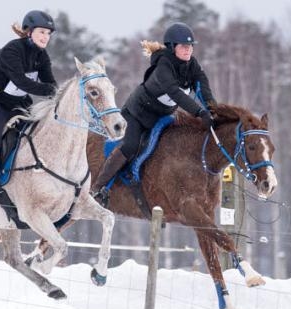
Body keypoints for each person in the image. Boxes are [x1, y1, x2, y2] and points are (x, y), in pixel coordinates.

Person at [91, 22, 217, 199]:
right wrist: (199, 113)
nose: (188, 50)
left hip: (161, 117)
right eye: (183, 46)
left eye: (190, 46)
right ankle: (97, 187)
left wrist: (212, 110)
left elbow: (204, 89)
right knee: (130, 146)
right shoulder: (163, 67)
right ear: (172, 47)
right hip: (136, 114)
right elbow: (175, 93)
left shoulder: (193, 66)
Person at [0, 10, 58, 217]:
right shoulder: (12, 50)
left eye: (48, 34)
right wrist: (51, 91)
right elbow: (21, 81)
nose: (46, 37)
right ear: (29, 32)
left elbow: (50, 83)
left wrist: (58, 95)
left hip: (20, 103)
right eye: (42, 32)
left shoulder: (42, 56)